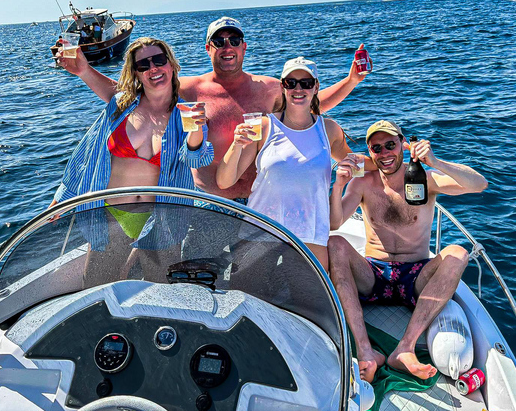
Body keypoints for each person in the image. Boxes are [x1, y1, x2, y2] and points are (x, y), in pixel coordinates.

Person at [59, 16, 366, 204]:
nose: (227, 45)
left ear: (244, 47)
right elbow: (128, 98)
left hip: (264, 203)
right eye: (218, 41)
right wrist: (86, 71)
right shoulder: (190, 90)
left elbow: (310, 103)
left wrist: (352, 80)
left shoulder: (270, 88)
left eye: (234, 39)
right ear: (208, 49)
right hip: (210, 203)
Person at [328, 120, 488, 382]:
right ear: (370, 153)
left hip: (416, 276)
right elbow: (335, 223)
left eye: (390, 145)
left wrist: (435, 161)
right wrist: (338, 185)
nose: (385, 153)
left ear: (403, 144)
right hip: (373, 273)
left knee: (458, 253)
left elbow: (479, 184)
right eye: (376, 148)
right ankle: (365, 350)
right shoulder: (363, 182)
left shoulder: (424, 179)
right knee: (335, 243)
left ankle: (405, 348)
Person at [52, 37, 214, 283]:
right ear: (136, 73)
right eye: (143, 65)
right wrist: (61, 198)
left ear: (171, 65)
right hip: (112, 215)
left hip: (161, 218)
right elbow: (86, 154)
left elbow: (196, 159)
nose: (153, 69)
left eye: (159, 60)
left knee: (159, 288)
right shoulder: (121, 105)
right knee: (96, 284)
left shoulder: (188, 115)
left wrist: (196, 131)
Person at [216, 57, 357, 268]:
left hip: (310, 234)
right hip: (261, 232)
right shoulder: (264, 127)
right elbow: (224, 182)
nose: (298, 89)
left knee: (308, 298)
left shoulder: (329, 130)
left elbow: (357, 163)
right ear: (283, 87)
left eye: (306, 83)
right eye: (291, 83)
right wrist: (236, 145)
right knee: (252, 297)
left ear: (316, 87)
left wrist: (392, 155)